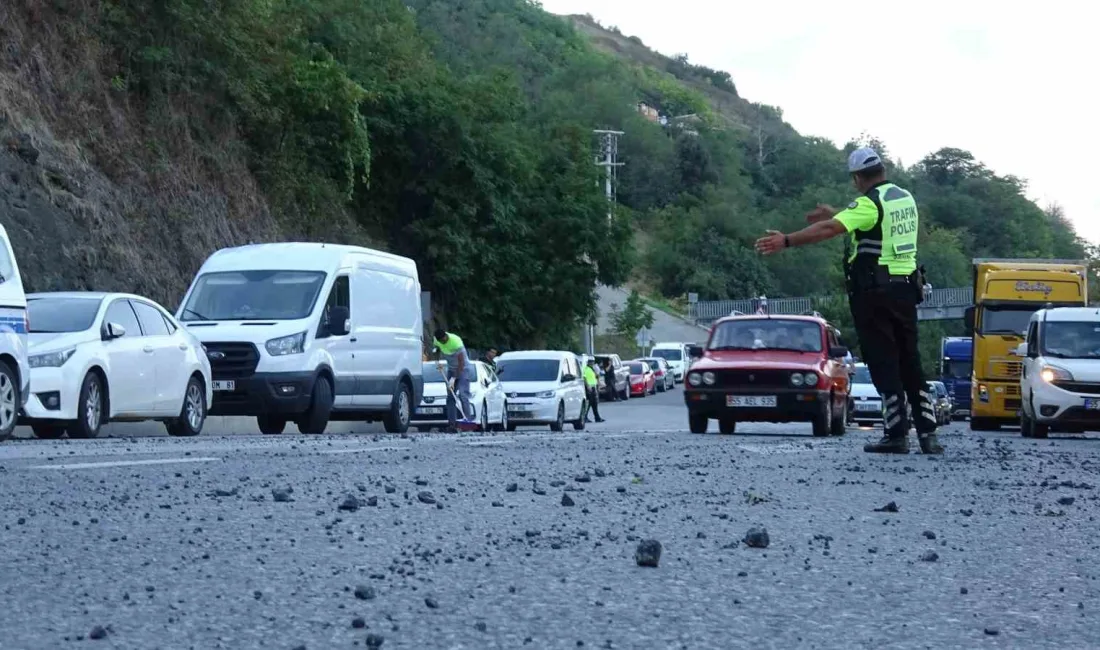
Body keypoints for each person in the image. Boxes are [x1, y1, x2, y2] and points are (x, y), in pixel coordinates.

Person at [753, 147, 942, 455]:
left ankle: (896, 434)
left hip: (876, 293)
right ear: (882, 170)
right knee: (911, 361)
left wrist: (786, 240)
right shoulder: (903, 197)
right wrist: (839, 214)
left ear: (857, 178)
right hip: (906, 289)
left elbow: (832, 228)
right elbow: (873, 225)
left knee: (884, 361)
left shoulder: (869, 203)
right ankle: (928, 434)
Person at [432, 328, 475, 432]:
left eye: (443, 340)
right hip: (451, 369)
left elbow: (461, 363)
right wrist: (437, 361)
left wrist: (454, 379)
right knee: (450, 397)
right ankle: (452, 425)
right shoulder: (437, 340)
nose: (442, 342)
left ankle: (467, 423)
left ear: (446, 336)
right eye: (440, 341)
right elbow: (436, 349)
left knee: (463, 395)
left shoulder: (456, 342)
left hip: (463, 369)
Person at [582, 358, 605, 423]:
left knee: (594, 404)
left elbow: (595, 377)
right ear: (588, 362)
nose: (592, 363)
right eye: (590, 362)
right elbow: (584, 377)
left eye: (592, 362)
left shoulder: (592, 369)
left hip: (593, 387)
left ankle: (597, 417)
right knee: (588, 403)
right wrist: (587, 386)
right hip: (589, 387)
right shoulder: (585, 368)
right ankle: (585, 417)